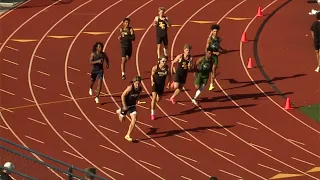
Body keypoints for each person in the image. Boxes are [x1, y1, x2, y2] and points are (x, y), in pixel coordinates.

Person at [116, 76, 142, 142]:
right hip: (125, 105)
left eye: (138, 83)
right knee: (122, 120)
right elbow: (122, 96)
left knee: (134, 119)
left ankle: (128, 135)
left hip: (132, 105)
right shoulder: (130, 88)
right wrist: (124, 106)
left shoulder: (140, 88)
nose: (137, 85)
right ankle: (119, 112)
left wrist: (138, 100)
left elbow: (138, 95)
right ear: (133, 83)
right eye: (136, 83)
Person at [205, 24, 227, 90]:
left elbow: (218, 46)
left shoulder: (218, 39)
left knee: (213, 70)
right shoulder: (209, 39)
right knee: (208, 70)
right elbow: (206, 50)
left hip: (215, 57)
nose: (215, 33)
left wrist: (223, 50)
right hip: (209, 56)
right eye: (214, 31)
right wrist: (215, 52)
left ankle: (211, 85)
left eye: (216, 31)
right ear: (211, 31)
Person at [150, 56, 171, 120]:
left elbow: (169, 75)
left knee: (158, 99)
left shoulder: (167, 68)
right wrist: (152, 82)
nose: (164, 63)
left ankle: (153, 104)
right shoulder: (155, 67)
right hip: (155, 84)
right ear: (159, 61)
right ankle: (152, 113)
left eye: (165, 61)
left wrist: (169, 83)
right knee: (154, 98)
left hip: (161, 86)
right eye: (163, 61)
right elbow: (152, 75)